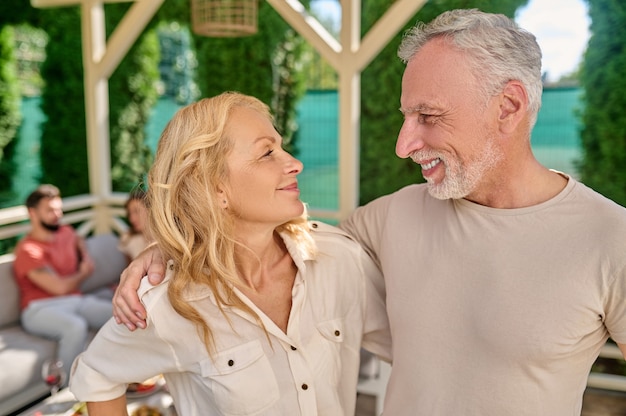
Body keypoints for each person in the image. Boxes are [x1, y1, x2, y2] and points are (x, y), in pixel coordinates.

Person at [112, 9, 626, 415]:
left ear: (508, 107)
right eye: (407, 116)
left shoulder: (610, 238)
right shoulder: (387, 220)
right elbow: (265, 237)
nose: (404, 145)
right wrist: (173, 243)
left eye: (428, 116)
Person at [69, 92, 391, 415]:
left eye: (281, 146)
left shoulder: (338, 259)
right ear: (216, 189)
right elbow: (96, 374)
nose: (295, 163)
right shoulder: (170, 302)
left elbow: (412, 347)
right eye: (267, 153)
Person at [13, 184, 113, 377]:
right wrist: (84, 272)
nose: (57, 214)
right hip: (39, 308)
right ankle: (70, 389)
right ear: (32, 213)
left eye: (59, 209)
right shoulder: (28, 250)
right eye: (50, 210)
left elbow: (78, 240)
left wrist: (84, 256)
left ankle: (129, 373)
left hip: (75, 300)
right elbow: (59, 288)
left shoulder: (65, 232)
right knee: (75, 327)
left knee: (118, 314)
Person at [118, 187, 153, 261]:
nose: (132, 219)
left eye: (136, 211)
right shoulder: (128, 238)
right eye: (129, 214)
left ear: (150, 210)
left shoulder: (164, 239)